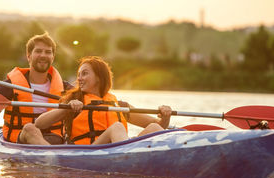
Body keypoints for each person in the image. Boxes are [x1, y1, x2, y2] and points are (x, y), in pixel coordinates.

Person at [32, 56, 172, 145]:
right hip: (89, 153)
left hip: (118, 150)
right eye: (79, 74)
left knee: (153, 128)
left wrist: (166, 115)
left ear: (99, 77)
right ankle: (126, 158)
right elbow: (39, 123)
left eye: (85, 73)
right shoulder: (74, 101)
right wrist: (66, 109)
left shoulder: (119, 105)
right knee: (117, 127)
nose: (79, 78)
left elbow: (160, 125)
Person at [0, 33, 72, 145]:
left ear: (53, 57)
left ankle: (50, 156)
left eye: (48, 52)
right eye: (38, 51)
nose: (43, 55)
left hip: (54, 139)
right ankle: (52, 159)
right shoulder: (11, 86)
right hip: (20, 139)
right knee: (30, 129)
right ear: (28, 56)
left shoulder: (66, 88)